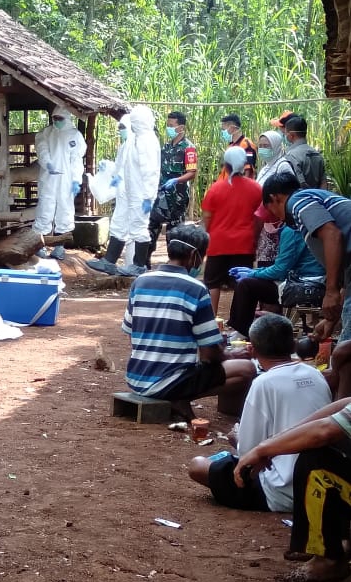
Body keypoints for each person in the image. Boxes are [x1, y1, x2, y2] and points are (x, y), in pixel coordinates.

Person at [188, 314, 331, 513]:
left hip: (284, 491)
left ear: (252, 350)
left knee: (198, 465)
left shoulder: (264, 383)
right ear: (293, 346)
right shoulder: (316, 375)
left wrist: (236, 438)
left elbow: (248, 453)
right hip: (325, 485)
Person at [122, 223, 256, 420]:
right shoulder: (196, 289)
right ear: (194, 255)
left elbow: (131, 331)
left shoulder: (140, 281)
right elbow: (209, 354)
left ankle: (178, 394)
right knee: (246, 369)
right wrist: (229, 354)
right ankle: (179, 398)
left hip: (136, 378)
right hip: (170, 381)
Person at [234, 397, 351, 582]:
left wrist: (261, 449)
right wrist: (274, 443)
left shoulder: (263, 383)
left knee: (316, 464)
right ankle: (341, 541)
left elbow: (325, 431)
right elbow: (343, 406)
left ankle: (328, 561)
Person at [262, 171, 351, 342]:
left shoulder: (297, 201)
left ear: (275, 198)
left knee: (346, 350)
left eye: (270, 209)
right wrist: (330, 320)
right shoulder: (312, 200)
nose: (274, 216)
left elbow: (333, 235)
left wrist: (330, 291)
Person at [87, 104, 161, 277]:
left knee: (139, 227)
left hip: (141, 194)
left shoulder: (147, 141)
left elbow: (150, 172)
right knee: (120, 224)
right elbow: (126, 166)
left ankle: (139, 265)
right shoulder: (135, 140)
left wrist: (148, 197)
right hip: (130, 191)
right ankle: (109, 261)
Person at [226, 225, 325, 339]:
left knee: (246, 285)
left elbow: (280, 270)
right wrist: (255, 271)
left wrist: (252, 273)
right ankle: (241, 329)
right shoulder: (309, 226)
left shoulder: (291, 231)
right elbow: (283, 266)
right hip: (310, 281)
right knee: (250, 282)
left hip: (304, 284)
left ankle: (242, 331)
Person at [201, 146, 263, 315]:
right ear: (244, 165)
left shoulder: (215, 189)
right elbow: (259, 219)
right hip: (244, 242)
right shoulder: (256, 188)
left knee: (212, 282)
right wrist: (254, 239)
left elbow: (207, 217)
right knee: (241, 283)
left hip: (217, 242)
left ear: (225, 165)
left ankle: (211, 319)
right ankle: (239, 321)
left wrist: (208, 234)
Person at [33, 106, 87, 260]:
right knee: (45, 209)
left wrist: (76, 180)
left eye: (60, 118)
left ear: (67, 118)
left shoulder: (74, 135)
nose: (56, 121)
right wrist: (47, 163)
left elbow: (76, 160)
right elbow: (42, 150)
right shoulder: (46, 133)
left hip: (66, 179)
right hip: (48, 177)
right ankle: (39, 245)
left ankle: (59, 247)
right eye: (54, 118)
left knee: (65, 210)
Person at [146, 111, 198, 269]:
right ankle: (145, 259)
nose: (168, 128)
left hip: (177, 197)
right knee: (151, 225)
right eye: (167, 125)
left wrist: (176, 180)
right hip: (161, 194)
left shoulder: (188, 148)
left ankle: (175, 264)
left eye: (171, 125)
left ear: (181, 127)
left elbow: (192, 173)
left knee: (174, 231)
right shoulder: (166, 147)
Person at [255, 130, 293, 268]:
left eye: (267, 146)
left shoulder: (283, 165)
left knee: (275, 263)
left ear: (276, 146)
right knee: (264, 263)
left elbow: (289, 192)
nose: (263, 149)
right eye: (261, 146)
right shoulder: (265, 168)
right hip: (265, 223)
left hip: (278, 223)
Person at [282, 115, 327, 189]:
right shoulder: (317, 154)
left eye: (286, 133)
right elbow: (323, 182)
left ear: (291, 135)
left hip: (301, 197)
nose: (285, 135)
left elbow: (301, 183)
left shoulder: (291, 155)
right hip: (318, 197)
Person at [218, 114, 257, 180]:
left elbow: (248, 170)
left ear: (232, 128)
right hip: (227, 185)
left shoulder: (246, 144)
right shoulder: (231, 145)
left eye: (223, 129)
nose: (222, 132)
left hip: (236, 187)